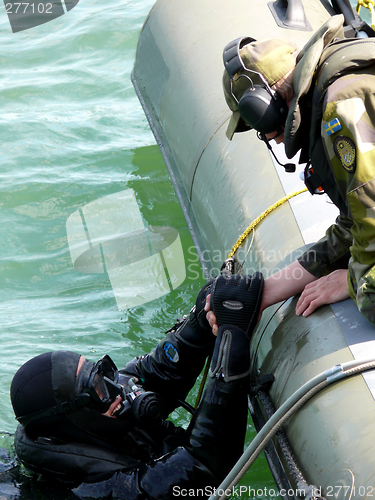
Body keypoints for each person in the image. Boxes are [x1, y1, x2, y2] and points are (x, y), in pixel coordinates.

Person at [10, 273, 264, 499]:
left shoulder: (103, 407)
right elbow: (206, 467)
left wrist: (198, 321)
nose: (114, 388)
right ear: (68, 422)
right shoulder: (95, 490)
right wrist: (232, 343)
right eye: (96, 389)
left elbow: (157, 371)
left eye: (101, 373)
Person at [214, 14, 375, 330]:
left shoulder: (339, 109)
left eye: (258, 124)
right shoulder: (341, 81)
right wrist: (264, 292)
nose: (266, 135)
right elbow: (356, 220)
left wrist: (354, 281)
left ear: (267, 106)